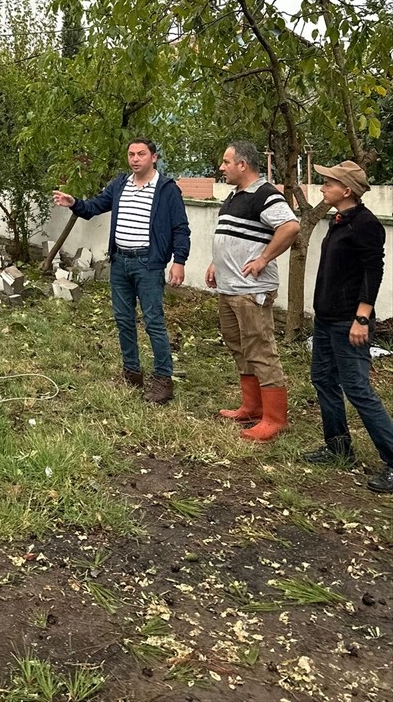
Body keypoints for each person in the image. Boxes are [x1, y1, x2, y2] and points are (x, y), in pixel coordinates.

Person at [53, 138, 190, 404]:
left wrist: (179, 261)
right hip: (120, 263)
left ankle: (163, 379)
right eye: (131, 154)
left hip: (148, 264)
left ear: (154, 157)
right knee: (124, 320)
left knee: (153, 321)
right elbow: (94, 207)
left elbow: (180, 228)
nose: (135, 158)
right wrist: (74, 203)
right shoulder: (120, 185)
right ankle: (132, 373)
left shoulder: (166, 189)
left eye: (141, 154)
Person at [303, 160, 392, 494]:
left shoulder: (365, 224)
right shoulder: (339, 221)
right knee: (323, 379)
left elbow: (374, 271)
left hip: (348, 321)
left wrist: (362, 317)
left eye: (329, 183)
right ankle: (338, 446)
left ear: (347, 190)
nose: (324, 187)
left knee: (357, 389)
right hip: (327, 319)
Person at [206, 141, 300, 442]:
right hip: (229, 287)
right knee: (239, 346)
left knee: (260, 350)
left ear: (243, 164)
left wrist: (264, 258)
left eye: (226, 161)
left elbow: (289, 227)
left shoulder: (265, 195)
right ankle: (251, 407)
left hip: (251, 290)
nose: (222, 167)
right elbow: (232, 235)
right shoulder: (234, 196)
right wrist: (214, 263)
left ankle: (275, 418)